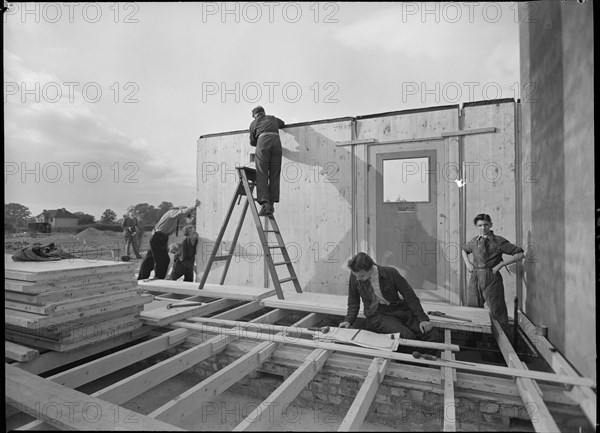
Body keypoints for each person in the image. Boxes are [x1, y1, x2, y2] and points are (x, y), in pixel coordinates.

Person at [339, 252, 437, 349]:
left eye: (361, 276)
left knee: (434, 337)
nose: (357, 279)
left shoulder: (391, 273)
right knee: (407, 338)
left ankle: (421, 361)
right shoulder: (356, 275)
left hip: (399, 310)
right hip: (378, 314)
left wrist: (423, 319)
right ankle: (409, 362)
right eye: (355, 275)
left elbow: (410, 296)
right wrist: (348, 321)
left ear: (370, 269)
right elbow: (353, 301)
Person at [461, 213, 525, 332]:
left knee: (497, 310)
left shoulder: (498, 241)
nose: (483, 228)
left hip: (491, 277)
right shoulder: (474, 241)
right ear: (476, 226)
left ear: (491, 225)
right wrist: (468, 264)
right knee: (473, 308)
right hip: (475, 277)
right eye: (480, 225)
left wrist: (501, 265)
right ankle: (473, 340)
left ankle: (502, 342)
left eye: (485, 225)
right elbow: (464, 250)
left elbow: (520, 254)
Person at [137, 199, 201, 280]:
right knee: (164, 260)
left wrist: (193, 213)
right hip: (158, 237)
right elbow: (182, 212)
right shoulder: (172, 212)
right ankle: (159, 279)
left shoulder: (175, 218)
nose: (183, 217)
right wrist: (194, 207)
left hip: (160, 238)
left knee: (149, 259)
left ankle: (142, 277)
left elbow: (188, 222)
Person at [249, 106, 285, 216]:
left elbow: (252, 142)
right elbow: (282, 123)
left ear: (255, 115)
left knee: (262, 173)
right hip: (277, 144)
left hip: (263, 142)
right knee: (275, 174)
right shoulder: (273, 118)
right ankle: (272, 204)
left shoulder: (253, 123)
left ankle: (265, 204)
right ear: (264, 112)